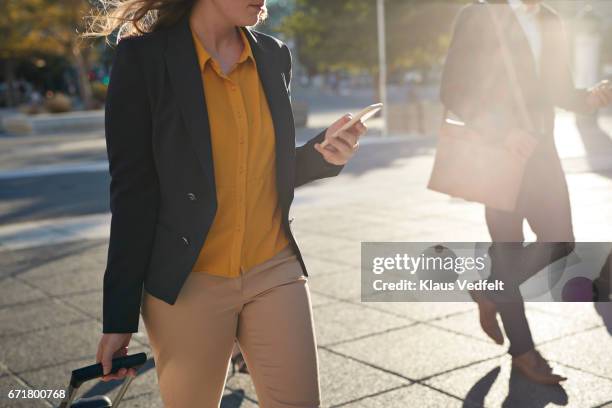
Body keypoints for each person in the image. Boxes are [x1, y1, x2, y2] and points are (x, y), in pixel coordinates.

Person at [86, 0, 368, 406]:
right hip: (188, 281)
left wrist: (324, 155)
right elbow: (132, 192)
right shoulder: (144, 58)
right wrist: (118, 316)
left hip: (274, 266)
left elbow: (269, 169)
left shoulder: (273, 56)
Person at [440, 0, 612, 385]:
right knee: (507, 250)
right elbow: (453, 89)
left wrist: (590, 96)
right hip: (497, 154)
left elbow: (559, 91)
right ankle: (523, 352)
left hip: (543, 155)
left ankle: (488, 290)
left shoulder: (548, 19)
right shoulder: (479, 15)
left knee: (561, 243)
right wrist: (502, 133)